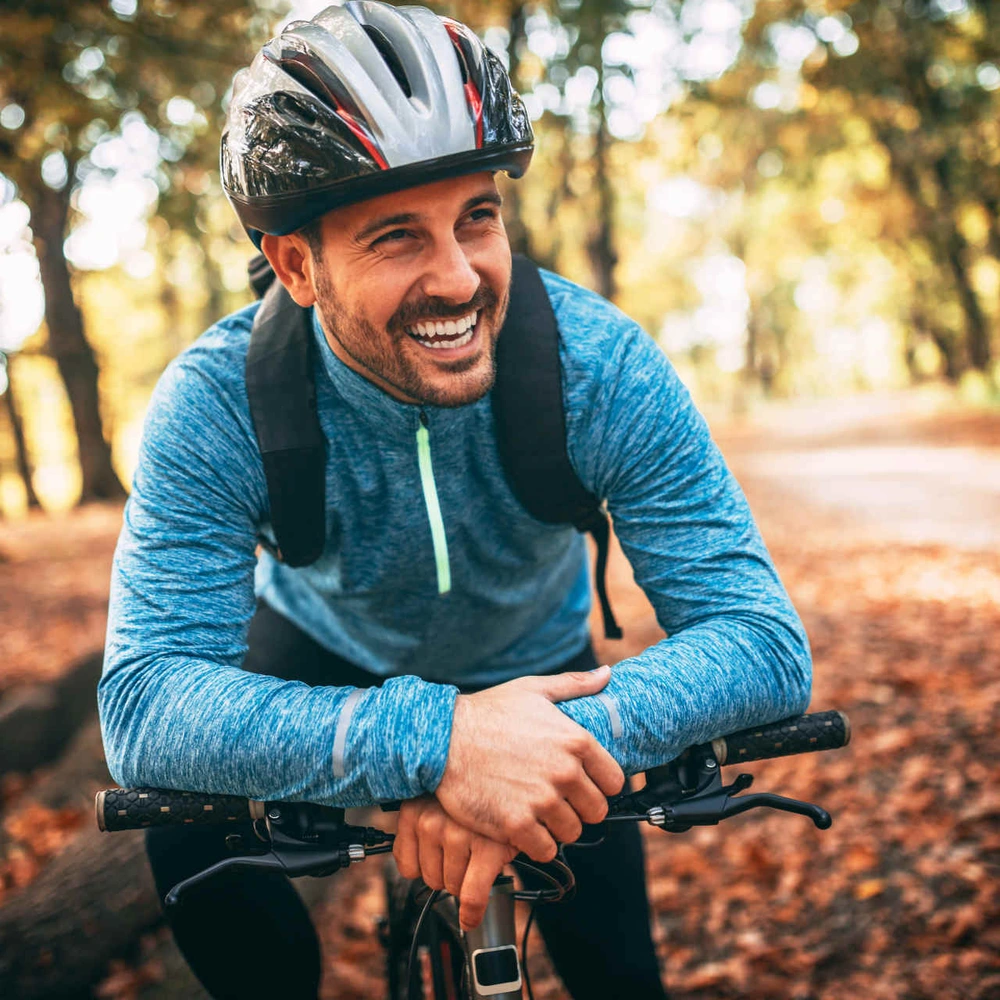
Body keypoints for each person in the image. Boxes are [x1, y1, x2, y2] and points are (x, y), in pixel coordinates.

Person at [97, 3, 812, 998]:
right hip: (325, 657)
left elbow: (762, 639)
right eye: (397, 236)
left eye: (477, 216)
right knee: (186, 834)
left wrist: (524, 753)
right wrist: (435, 745)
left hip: (543, 674)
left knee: (619, 974)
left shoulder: (598, 366)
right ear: (296, 263)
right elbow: (145, 703)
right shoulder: (216, 403)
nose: (459, 276)